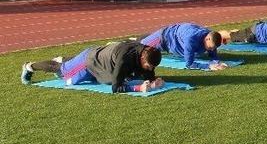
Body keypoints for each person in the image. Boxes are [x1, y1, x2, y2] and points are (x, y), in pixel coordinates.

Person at [21, 41, 164, 93]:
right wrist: (138, 88)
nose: (150, 69)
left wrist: (154, 80)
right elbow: (116, 87)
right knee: (62, 70)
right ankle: (29, 66)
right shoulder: (124, 59)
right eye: (149, 66)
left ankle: (64, 60)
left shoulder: (146, 51)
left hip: (101, 60)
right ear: (142, 57)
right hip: (90, 61)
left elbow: (147, 71)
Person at [141, 23, 230, 70]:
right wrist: (208, 66)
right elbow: (189, 64)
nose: (211, 50)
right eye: (210, 48)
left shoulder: (210, 36)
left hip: (177, 39)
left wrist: (216, 61)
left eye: (213, 48)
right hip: (163, 37)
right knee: (141, 47)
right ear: (207, 39)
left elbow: (213, 54)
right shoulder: (191, 39)